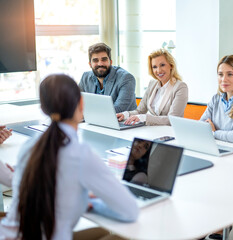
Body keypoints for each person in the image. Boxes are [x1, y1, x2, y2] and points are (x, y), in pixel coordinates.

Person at [0, 74, 139, 240]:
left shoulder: (28, 147)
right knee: (120, 237)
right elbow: (130, 211)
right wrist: (87, 201)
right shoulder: (81, 154)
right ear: (81, 103)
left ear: (44, 109)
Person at [117, 48, 188, 126]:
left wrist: (145, 118)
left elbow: (172, 119)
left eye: (162, 65)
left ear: (171, 65)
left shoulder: (180, 87)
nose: (159, 70)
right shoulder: (152, 84)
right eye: (154, 67)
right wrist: (125, 115)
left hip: (170, 133)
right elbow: (140, 111)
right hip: (152, 130)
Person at [79, 43, 137, 113]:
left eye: (104, 59)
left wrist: (89, 112)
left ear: (111, 62)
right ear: (90, 64)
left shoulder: (126, 78)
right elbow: (77, 103)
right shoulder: (85, 77)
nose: (100, 64)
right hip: (92, 122)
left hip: (122, 122)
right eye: (95, 60)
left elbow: (119, 109)